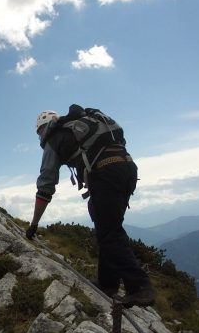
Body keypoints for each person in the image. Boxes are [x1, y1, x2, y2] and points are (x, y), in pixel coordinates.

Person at [25, 108, 155, 308]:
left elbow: (45, 186)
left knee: (110, 231)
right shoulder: (82, 127)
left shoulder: (53, 137)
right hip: (127, 169)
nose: (40, 137)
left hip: (106, 173)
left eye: (38, 132)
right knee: (105, 226)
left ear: (43, 128)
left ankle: (140, 287)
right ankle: (108, 283)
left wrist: (33, 225)